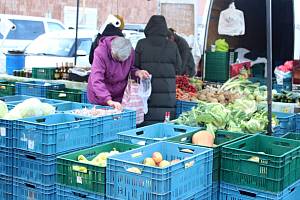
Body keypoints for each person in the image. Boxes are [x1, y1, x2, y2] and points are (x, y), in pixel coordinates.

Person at [134, 15, 182, 125]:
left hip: (147, 94)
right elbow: (179, 68)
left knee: (146, 129)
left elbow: (134, 66)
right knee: (165, 129)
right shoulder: (172, 46)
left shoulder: (141, 44)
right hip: (167, 96)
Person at [87, 36, 150, 110]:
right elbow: (97, 80)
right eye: (116, 58)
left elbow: (130, 69)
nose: (120, 62)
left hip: (119, 95)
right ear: (111, 50)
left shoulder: (131, 52)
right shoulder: (100, 52)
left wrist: (137, 72)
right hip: (99, 96)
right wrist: (108, 100)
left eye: (123, 60)